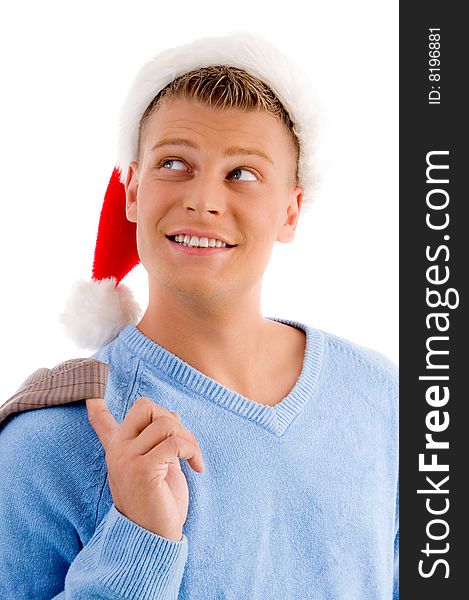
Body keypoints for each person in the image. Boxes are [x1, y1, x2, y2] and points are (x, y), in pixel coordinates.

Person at [0, 32, 398, 599]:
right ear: (132, 191)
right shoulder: (50, 441)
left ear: (291, 210)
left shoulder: (380, 397)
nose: (204, 200)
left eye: (243, 173)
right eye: (175, 164)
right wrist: (141, 540)